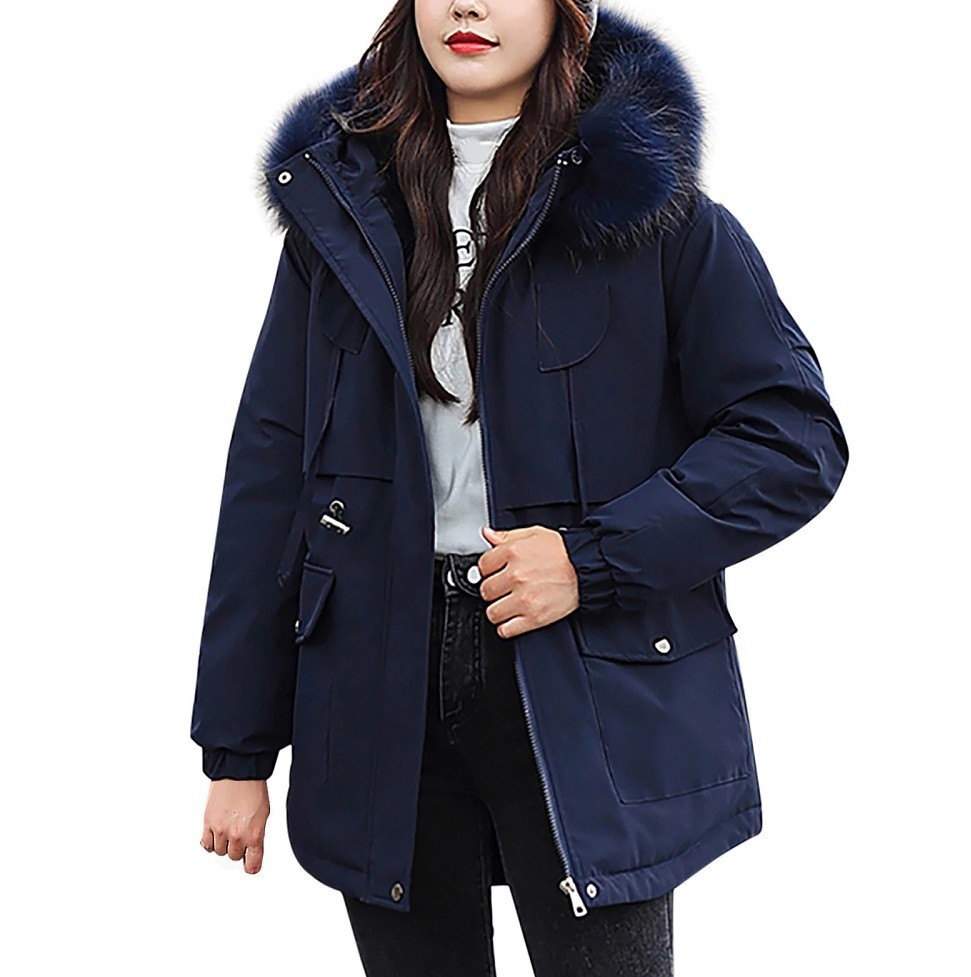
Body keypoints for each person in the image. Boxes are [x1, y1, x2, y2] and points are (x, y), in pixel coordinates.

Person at [190, 2, 849, 974]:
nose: (467, 5)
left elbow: (790, 439)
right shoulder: (338, 216)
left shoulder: (659, 218)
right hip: (376, 685)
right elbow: (270, 475)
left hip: (589, 680)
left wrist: (590, 559)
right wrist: (237, 749)